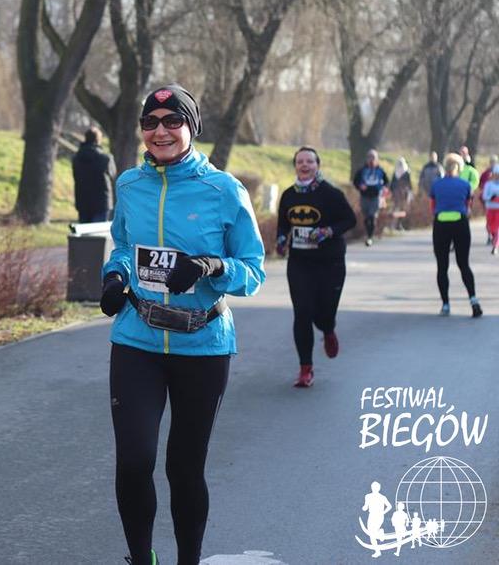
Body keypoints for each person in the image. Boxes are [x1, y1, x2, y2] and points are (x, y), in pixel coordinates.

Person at [98, 84, 265, 565]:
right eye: (150, 123)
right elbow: (124, 246)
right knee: (134, 461)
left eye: (173, 121)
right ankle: (141, 558)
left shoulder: (224, 190)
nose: (161, 131)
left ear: (192, 128)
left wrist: (212, 267)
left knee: (184, 469)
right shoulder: (129, 184)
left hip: (203, 344)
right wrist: (115, 276)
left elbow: (253, 270)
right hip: (138, 338)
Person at [276, 147, 357, 388]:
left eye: (309, 161)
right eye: (300, 161)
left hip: (330, 262)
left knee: (324, 313)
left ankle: (328, 329)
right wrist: (281, 240)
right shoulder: (288, 195)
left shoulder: (330, 193)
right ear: (295, 166)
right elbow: (283, 224)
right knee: (302, 313)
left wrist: (328, 231)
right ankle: (305, 369)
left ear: (317, 165)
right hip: (300, 262)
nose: (304, 165)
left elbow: (350, 219)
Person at [430, 153, 482, 318]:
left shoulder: (436, 185)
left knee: (442, 266)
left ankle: (445, 305)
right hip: (460, 223)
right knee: (464, 264)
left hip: (441, 224)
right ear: (459, 168)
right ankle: (473, 300)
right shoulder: (465, 185)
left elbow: (433, 206)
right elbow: (468, 206)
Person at [72, 126, 116, 222]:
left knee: (84, 230)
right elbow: (112, 175)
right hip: (102, 202)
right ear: (98, 140)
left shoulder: (76, 158)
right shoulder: (106, 158)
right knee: (99, 230)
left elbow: (75, 176)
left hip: (83, 202)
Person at [353, 149, 389, 246]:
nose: (371, 160)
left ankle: (370, 237)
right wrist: (360, 186)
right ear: (367, 159)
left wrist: (384, 188)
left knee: (372, 217)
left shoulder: (380, 171)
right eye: (370, 157)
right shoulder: (362, 170)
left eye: (373, 158)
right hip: (364, 197)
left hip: (375, 197)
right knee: (366, 218)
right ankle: (368, 234)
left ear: (377, 159)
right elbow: (355, 181)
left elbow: (386, 182)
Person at [476, 154, 498, 245]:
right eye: (491, 162)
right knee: (489, 222)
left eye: (494, 162)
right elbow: (480, 185)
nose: (492, 164)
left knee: (497, 224)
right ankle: (490, 236)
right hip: (488, 203)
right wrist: (487, 195)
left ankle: (495, 241)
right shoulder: (485, 174)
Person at [389, 157, 412, 230]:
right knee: (396, 209)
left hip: (404, 194)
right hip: (397, 194)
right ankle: (394, 224)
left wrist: (409, 192)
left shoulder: (406, 173)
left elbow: (409, 184)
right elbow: (392, 184)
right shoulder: (396, 173)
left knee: (403, 210)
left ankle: (399, 224)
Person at [482, 165, 499, 255]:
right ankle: (493, 238)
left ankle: (495, 247)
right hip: (490, 208)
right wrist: (491, 197)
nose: (497, 176)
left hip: (498, 210)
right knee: (491, 228)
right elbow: (484, 196)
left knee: (497, 229)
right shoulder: (488, 184)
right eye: (496, 174)